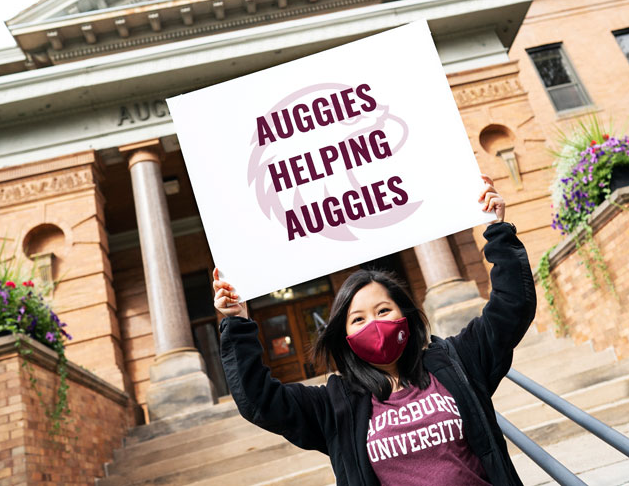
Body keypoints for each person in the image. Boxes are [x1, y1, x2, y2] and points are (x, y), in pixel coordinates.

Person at [213, 175, 536, 485]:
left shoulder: (457, 364)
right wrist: (237, 322)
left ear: (405, 316)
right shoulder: (333, 405)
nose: (375, 324)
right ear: (345, 336)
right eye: (358, 319)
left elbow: (511, 308)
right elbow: (260, 400)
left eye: (383, 311)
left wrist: (497, 231)